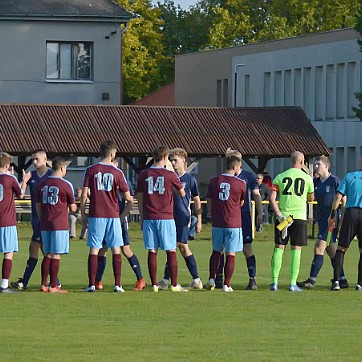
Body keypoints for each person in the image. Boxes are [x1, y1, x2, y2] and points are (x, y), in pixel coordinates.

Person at [80, 140, 133, 293]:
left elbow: (84, 194)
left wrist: (83, 214)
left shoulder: (91, 170)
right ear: (111, 154)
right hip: (113, 215)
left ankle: (91, 285)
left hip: (96, 215)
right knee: (116, 248)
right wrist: (122, 216)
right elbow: (128, 198)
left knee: (94, 249)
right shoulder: (118, 173)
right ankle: (117, 284)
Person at [136, 145, 186, 292]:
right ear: (165, 158)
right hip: (166, 217)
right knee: (171, 250)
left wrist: (142, 216)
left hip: (149, 217)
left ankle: (154, 285)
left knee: (152, 251)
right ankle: (174, 284)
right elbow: (182, 193)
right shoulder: (170, 175)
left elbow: (139, 197)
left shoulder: (144, 174)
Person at [94, 159, 146, 291]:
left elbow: (129, 200)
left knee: (125, 249)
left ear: (116, 164)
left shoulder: (121, 178)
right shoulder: (103, 177)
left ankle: (141, 279)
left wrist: (122, 217)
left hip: (118, 219)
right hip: (106, 218)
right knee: (103, 249)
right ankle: (97, 281)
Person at [297, 156, 348, 289]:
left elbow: (344, 200)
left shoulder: (335, 181)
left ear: (326, 166)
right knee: (331, 251)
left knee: (319, 247)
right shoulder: (316, 182)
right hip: (321, 220)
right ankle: (342, 278)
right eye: (315, 164)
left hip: (331, 221)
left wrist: (342, 219)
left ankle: (311, 280)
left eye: (318, 164)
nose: (316, 167)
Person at [158, 148, 203, 290]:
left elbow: (196, 200)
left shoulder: (190, 180)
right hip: (169, 216)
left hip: (183, 216)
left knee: (182, 246)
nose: (172, 162)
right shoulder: (169, 178)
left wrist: (199, 218)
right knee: (171, 248)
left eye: (175, 160)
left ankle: (196, 279)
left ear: (184, 161)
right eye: (171, 160)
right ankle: (166, 280)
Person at [215, 156, 263, 290]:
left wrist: (260, 212)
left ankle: (252, 278)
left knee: (247, 248)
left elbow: (256, 194)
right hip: (227, 218)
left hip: (244, 217)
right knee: (222, 248)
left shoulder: (248, 177)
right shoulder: (223, 177)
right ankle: (219, 278)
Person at [270, 151, 314, 292]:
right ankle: (292, 283)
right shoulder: (307, 178)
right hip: (299, 217)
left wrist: (278, 214)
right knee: (296, 249)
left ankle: (274, 282)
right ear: (302, 162)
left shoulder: (280, 177)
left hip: (284, 218)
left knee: (279, 247)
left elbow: (272, 198)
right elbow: (311, 199)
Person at [205, 149, 246, 292]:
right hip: (233, 222)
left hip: (218, 222)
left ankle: (211, 278)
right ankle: (227, 284)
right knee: (231, 253)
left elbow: (209, 201)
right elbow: (241, 203)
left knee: (216, 251)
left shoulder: (214, 181)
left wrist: (211, 214)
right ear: (235, 167)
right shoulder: (241, 184)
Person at [11, 150, 53, 291]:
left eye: (37, 159)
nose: (34, 162)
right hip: (36, 219)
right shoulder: (32, 176)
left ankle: (26, 282)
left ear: (45, 159)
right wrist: (23, 181)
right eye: (33, 159)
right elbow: (21, 195)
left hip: (47, 219)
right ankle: (53, 281)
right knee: (42, 249)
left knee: (37, 248)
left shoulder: (51, 175)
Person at [36, 157, 77, 293]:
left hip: (45, 223)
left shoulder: (42, 184)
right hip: (59, 224)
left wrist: (42, 218)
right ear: (61, 168)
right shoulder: (66, 185)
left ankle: (43, 284)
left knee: (47, 253)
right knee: (56, 254)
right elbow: (73, 208)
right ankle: (54, 286)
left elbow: (38, 205)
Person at [330, 156, 362, 291]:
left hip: (351, 213)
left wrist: (332, 213)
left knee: (342, 248)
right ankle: (360, 284)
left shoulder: (350, 176)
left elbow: (338, 196)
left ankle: (336, 281)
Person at [0, 152, 24, 293]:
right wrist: (24, 181)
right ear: (8, 165)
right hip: (7, 221)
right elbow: (20, 194)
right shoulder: (10, 178)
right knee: (8, 252)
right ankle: (4, 285)